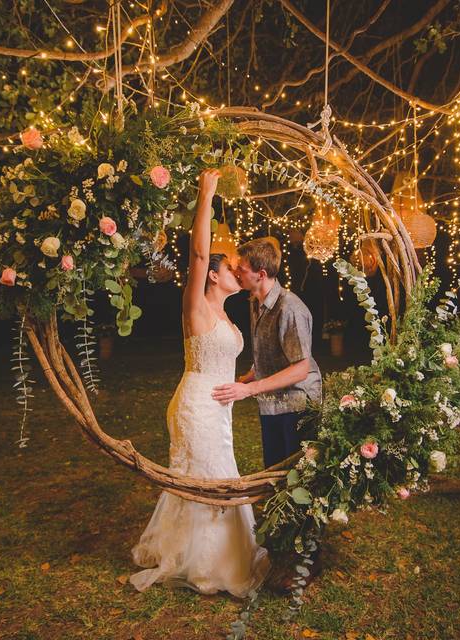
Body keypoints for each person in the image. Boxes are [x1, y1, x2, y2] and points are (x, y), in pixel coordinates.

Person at [130, 169, 269, 597]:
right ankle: (210, 564)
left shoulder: (227, 314)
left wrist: (245, 380)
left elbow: (223, 359)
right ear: (212, 275)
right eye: (229, 267)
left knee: (215, 474)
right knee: (209, 479)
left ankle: (205, 551)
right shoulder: (197, 305)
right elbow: (196, 255)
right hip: (195, 406)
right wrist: (206, 195)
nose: (237, 272)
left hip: (219, 408)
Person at [212, 238, 322, 469]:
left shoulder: (290, 308)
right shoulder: (255, 302)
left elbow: (300, 369)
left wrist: (249, 389)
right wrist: (251, 375)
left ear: (260, 274)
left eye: (240, 269)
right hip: (272, 401)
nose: (235, 273)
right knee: (273, 470)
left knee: (296, 475)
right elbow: (272, 350)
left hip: (298, 405)